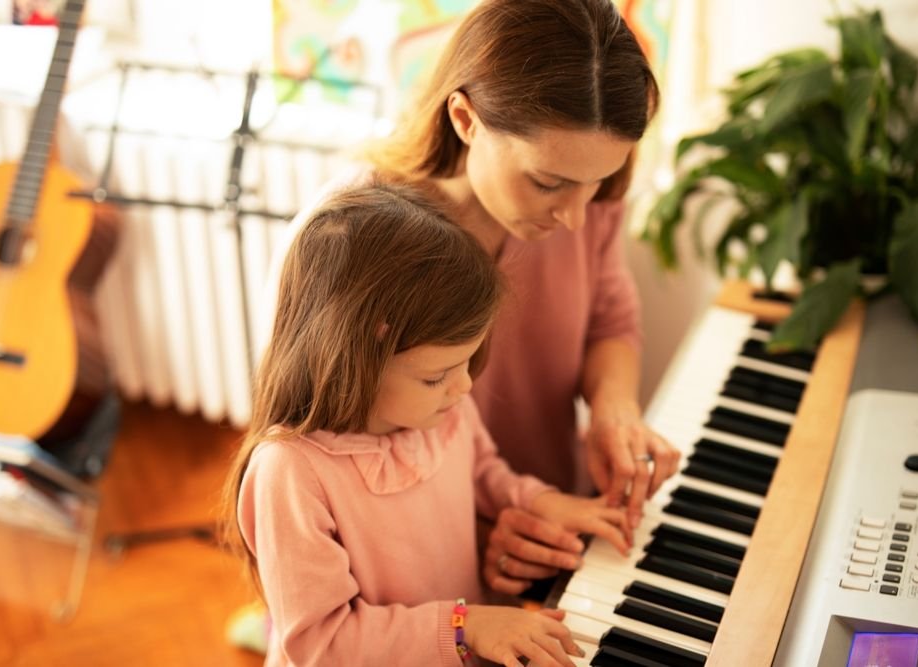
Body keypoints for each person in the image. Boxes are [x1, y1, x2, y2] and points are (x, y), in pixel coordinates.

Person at [263, 0, 681, 596]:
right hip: (422, 566)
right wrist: (480, 536)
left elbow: (610, 318)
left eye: (597, 185)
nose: (574, 217)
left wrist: (616, 409)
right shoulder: (350, 238)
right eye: (548, 183)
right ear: (465, 118)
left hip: (545, 507)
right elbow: (324, 453)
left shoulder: (586, 198)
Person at [226, 182, 633, 666]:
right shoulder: (291, 472)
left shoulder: (441, 408)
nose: (464, 387)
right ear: (360, 355)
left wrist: (546, 503)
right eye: (438, 375)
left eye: (469, 361)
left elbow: (486, 472)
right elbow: (322, 643)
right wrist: (465, 626)